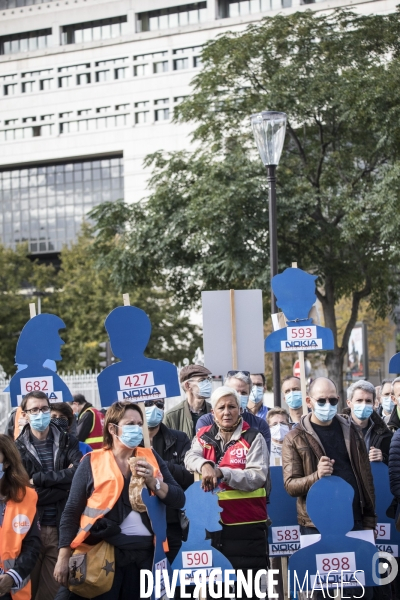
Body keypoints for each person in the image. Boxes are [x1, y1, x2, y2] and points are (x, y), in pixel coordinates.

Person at [54, 401, 185, 600]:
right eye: (130, 423)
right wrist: (63, 556)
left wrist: (154, 482)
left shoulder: (150, 457)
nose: (137, 428)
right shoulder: (92, 461)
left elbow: (178, 498)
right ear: (112, 428)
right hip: (101, 552)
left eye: (139, 423)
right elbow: (71, 511)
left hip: (146, 556)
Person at [282, 377, 376, 599]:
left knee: (357, 591)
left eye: (332, 400)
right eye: (321, 400)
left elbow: (366, 479)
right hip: (317, 527)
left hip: (353, 521)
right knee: (324, 592)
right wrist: (316, 475)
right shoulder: (294, 437)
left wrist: (370, 519)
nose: (327, 405)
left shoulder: (352, 431)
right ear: (309, 401)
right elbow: (290, 486)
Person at [185, 386, 269, 599]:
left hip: (247, 528)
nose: (227, 412)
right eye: (221, 407)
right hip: (212, 530)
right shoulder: (203, 436)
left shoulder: (254, 437)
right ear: (212, 413)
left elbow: (257, 477)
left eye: (232, 406)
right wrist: (204, 464)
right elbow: (189, 458)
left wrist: (223, 472)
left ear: (240, 409)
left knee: (251, 592)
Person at [15, 391, 82, 600]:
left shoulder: (66, 441)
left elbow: (80, 472)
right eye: (34, 409)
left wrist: (40, 479)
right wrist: (65, 486)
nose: (40, 413)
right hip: (28, 531)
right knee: (25, 593)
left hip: (61, 528)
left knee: (51, 593)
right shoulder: (16, 448)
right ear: (25, 414)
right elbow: (23, 492)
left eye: (44, 408)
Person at [145, 397, 193, 563]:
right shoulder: (129, 443)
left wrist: (160, 464)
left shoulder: (179, 439)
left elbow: (189, 476)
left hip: (171, 521)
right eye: (148, 404)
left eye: (159, 404)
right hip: (142, 523)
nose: (154, 408)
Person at [0, 434, 41, 600]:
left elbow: (33, 544)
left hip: (12, 589)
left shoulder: (26, 496)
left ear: (7, 463)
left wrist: (13, 576)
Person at [196, 370, 271, 452]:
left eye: (244, 392)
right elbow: (200, 454)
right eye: (234, 392)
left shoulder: (260, 425)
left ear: (249, 394)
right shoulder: (206, 422)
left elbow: (262, 459)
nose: (239, 396)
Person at [343, 379, 392, 465]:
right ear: (349, 403)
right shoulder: (338, 429)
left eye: (368, 401)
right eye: (359, 400)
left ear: (373, 404)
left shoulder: (385, 434)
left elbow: (392, 465)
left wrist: (382, 458)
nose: (364, 404)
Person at [163, 364, 213, 440]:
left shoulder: (215, 411)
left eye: (208, 380)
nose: (207, 384)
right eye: (202, 380)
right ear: (187, 386)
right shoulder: (171, 417)